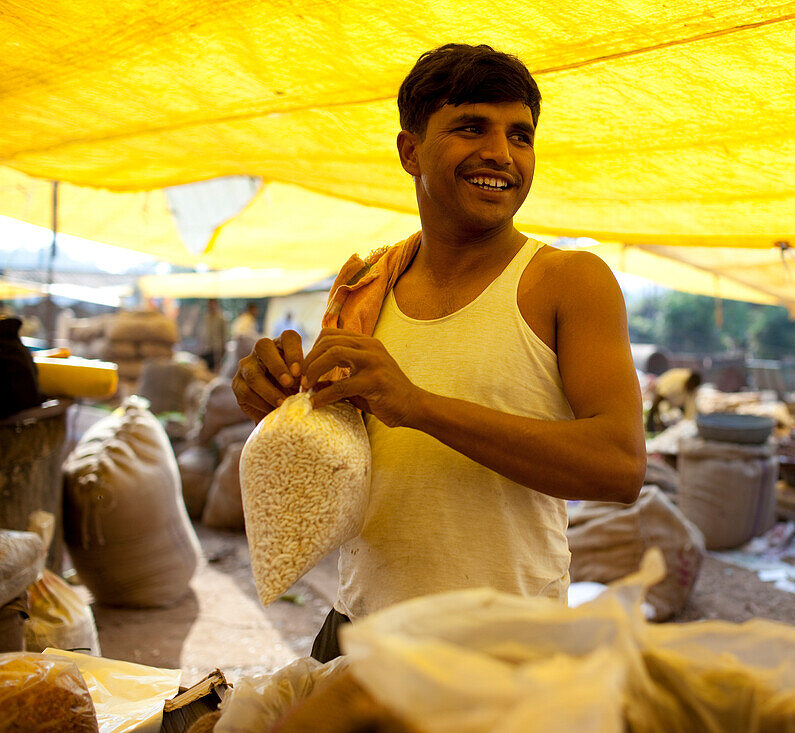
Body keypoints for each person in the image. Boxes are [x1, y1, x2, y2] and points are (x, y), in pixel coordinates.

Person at [231, 44, 646, 662]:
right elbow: (340, 444)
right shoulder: (368, 282)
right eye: (471, 127)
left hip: (505, 651)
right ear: (410, 151)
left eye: (521, 135)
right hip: (359, 633)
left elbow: (619, 467)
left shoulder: (569, 281)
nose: (502, 155)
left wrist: (418, 405)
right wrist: (275, 401)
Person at [645, 367, 702, 433]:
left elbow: (690, 407)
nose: (691, 387)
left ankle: (661, 426)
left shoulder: (692, 390)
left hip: (676, 399)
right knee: (655, 409)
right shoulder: (677, 379)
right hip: (662, 391)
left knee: (681, 413)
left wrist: (686, 421)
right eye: (690, 385)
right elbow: (661, 394)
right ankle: (650, 427)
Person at [197, 298, 228, 372]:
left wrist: (223, 350)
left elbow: (224, 335)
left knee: (215, 370)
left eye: (212, 304)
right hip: (206, 348)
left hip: (216, 349)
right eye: (209, 304)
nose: (211, 306)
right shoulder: (206, 317)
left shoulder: (221, 318)